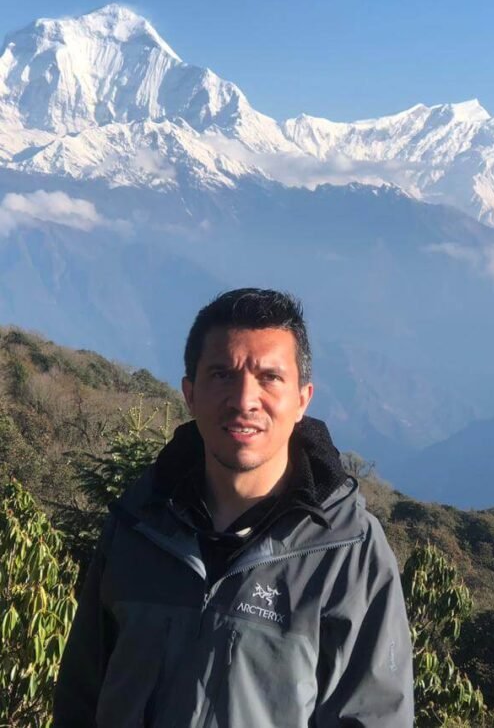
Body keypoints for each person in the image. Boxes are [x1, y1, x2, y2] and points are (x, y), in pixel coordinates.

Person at [53, 288, 414, 727]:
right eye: (222, 375)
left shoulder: (347, 551)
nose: (244, 400)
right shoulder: (137, 523)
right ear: (190, 393)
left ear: (303, 399)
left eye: (269, 377)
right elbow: (80, 697)